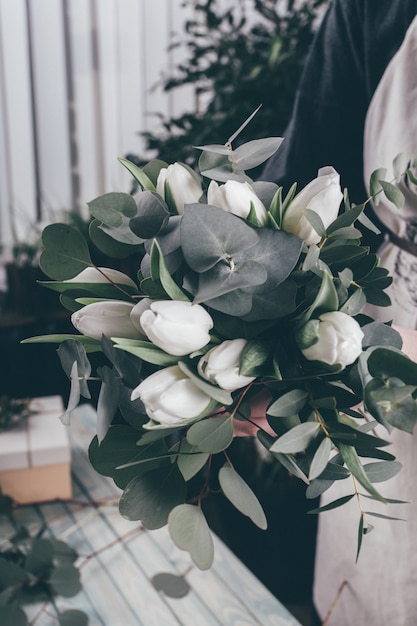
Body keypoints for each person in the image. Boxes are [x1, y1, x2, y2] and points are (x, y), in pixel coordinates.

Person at [261, 1, 417, 624]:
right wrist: (239, 323)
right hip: (384, 334)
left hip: (384, 346)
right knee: (383, 565)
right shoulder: (375, 7)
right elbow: (301, 183)